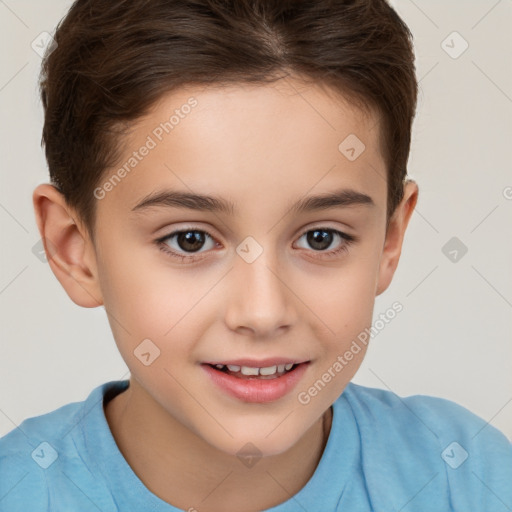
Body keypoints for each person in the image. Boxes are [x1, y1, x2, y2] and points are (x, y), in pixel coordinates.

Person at [1, 0, 511, 510]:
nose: (263, 313)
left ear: (389, 239)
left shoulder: (467, 479)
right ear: (74, 249)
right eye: (190, 240)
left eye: (321, 238)